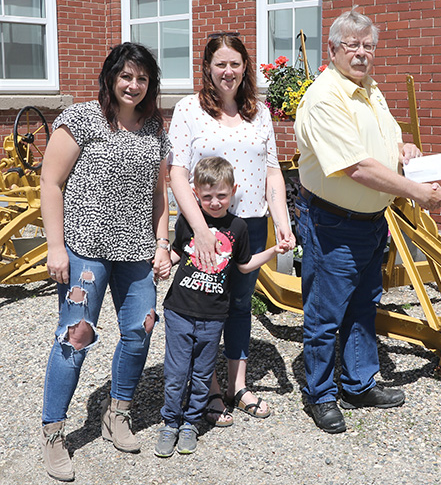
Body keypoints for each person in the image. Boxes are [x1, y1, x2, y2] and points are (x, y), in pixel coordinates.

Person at [293, 8, 441, 434]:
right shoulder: (326, 97)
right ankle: (321, 395)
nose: (361, 54)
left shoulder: (369, 89)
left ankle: (359, 383)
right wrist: (415, 190)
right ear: (333, 50)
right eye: (352, 46)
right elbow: (356, 168)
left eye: (368, 46)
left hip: (370, 221)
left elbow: (385, 139)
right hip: (335, 224)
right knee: (325, 314)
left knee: (364, 305)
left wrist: (406, 147)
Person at [39, 43, 171, 481]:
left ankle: (118, 412)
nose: (133, 85)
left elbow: (158, 194)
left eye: (142, 78)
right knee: (76, 335)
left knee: (141, 327)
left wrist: (162, 242)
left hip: (135, 250)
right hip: (84, 250)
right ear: (111, 78)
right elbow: (51, 182)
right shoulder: (81, 118)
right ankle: (55, 432)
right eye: (126, 76)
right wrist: (55, 247)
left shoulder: (154, 127)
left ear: (150, 84)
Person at [168, 32, 294, 425]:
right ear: (207, 68)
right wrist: (201, 230)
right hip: (203, 228)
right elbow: (176, 173)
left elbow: (273, 172)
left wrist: (283, 224)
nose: (228, 71)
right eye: (220, 64)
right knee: (206, 309)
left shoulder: (258, 112)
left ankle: (237, 384)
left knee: (240, 306)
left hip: (250, 226)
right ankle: (209, 387)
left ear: (245, 68)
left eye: (235, 64)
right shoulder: (190, 109)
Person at [155, 157, 290, 457]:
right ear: (194, 194)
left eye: (221, 196)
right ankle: (170, 422)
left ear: (234, 191)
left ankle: (190, 423)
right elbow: (179, 253)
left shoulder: (239, 228)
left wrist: (272, 250)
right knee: (176, 372)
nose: (214, 202)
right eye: (206, 197)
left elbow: (244, 266)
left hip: (214, 315)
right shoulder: (189, 222)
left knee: (203, 373)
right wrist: (163, 263)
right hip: (179, 309)